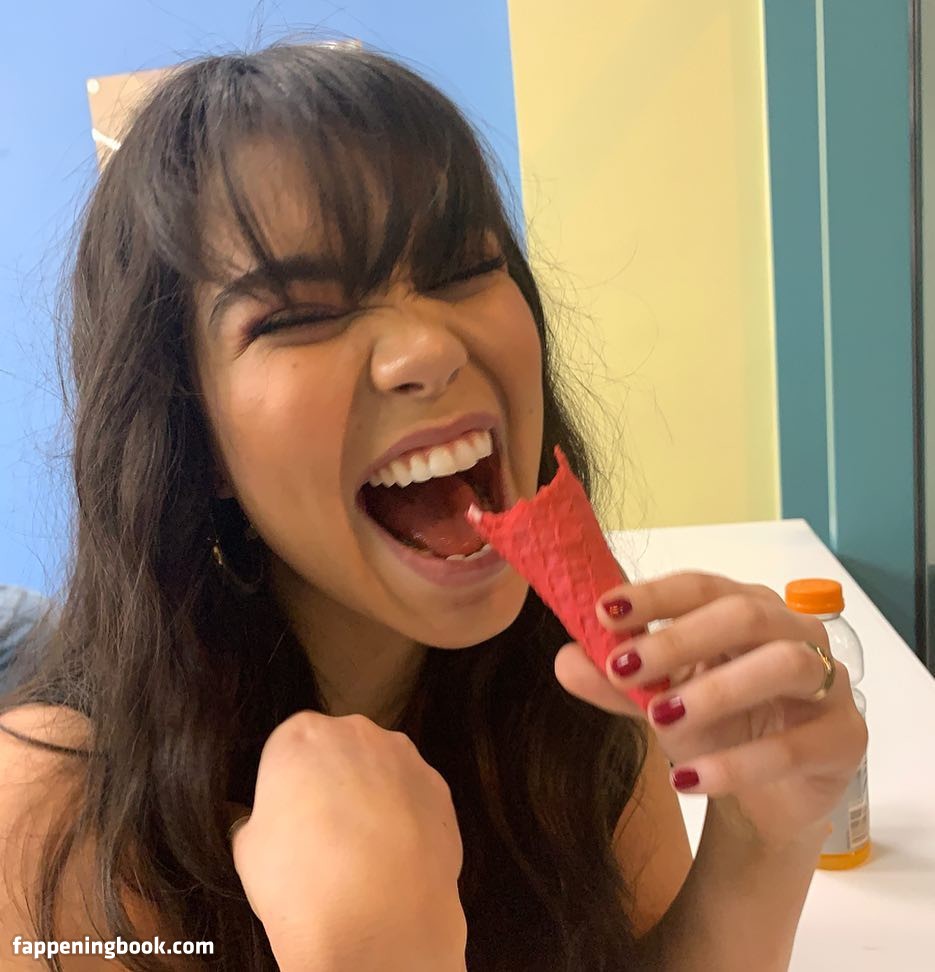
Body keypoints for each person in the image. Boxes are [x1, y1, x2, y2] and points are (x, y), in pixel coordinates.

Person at [0, 41, 867, 972]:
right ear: (191, 434)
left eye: (461, 269)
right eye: (298, 315)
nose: (428, 347)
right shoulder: (50, 818)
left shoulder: (571, 699)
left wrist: (764, 843)